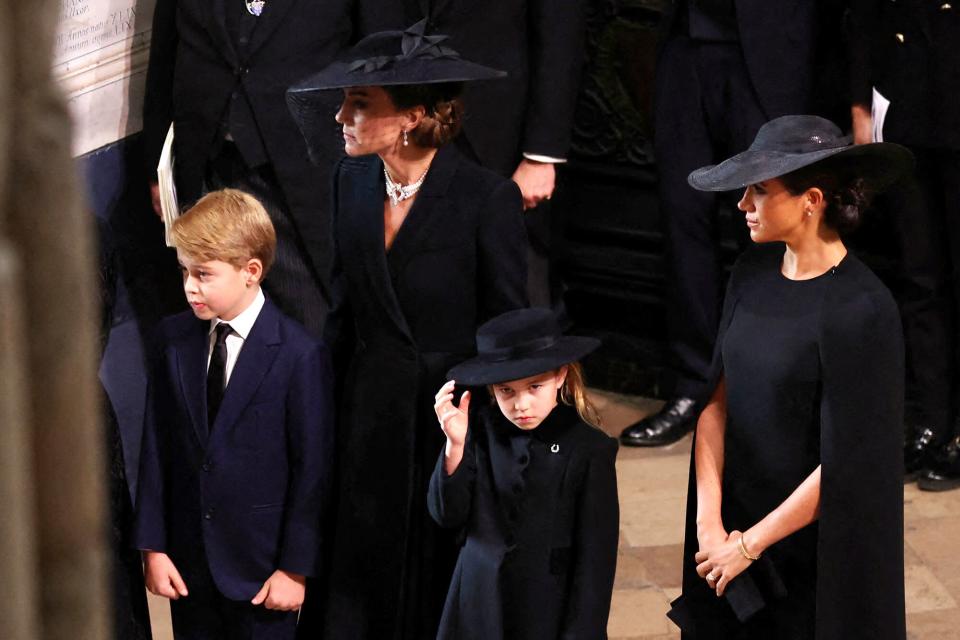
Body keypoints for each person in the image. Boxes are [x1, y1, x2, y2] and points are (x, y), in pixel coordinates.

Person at [286, 21, 529, 639]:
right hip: (366, 417)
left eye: (359, 104)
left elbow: (505, 331)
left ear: (412, 117)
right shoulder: (351, 180)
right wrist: (320, 411)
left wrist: (482, 442)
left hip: (442, 423)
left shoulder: (485, 199)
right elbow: (343, 306)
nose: (341, 116)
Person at [666, 115, 911, 638]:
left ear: (811, 200)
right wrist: (710, 526)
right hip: (731, 533)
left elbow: (849, 464)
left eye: (759, 190)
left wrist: (751, 545)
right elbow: (716, 402)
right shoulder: (749, 275)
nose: (743, 205)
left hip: (812, 553)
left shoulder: (863, 309)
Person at [621, 0, 845, 447]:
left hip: (774, 49)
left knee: (775, 224)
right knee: (683, 223)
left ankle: (773, 394)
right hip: (685, 45)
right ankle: (693, 389)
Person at [133, 189, 334, 639]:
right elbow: (156, 447)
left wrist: (294, 568)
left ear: (252, 272)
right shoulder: (172, 340)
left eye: (203, 274)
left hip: (262, 574)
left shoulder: (300, 355)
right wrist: (153, 546)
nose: (189, 286)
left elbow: (312, 472)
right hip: (190, 567)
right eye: (184, 271)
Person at [141, 0, 359, 334]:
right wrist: (156, 165)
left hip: (303, 171)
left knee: (309, 318)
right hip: (207, 164)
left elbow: (380, 53)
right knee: (220, 321)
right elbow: (164, 57)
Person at [363, 0, 588, 307]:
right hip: (400, 118)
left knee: (515, 299)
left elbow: (561, 33)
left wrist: (541, 155)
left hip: (499, 135)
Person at [428, 308, 619, 639]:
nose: (522, 405)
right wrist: (454, 446)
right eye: (507, 391)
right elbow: (447, 515)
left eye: (535, 386)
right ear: (491, 389)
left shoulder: (591, 449)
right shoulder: (477, 430)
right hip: (476, 603)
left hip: (545, 610)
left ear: (561, 376)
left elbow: (595, 563)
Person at [847, 0, 960, 490]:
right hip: (904, 105)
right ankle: (934, 420)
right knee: (920, 278)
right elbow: (860, 17)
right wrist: (858, 110)